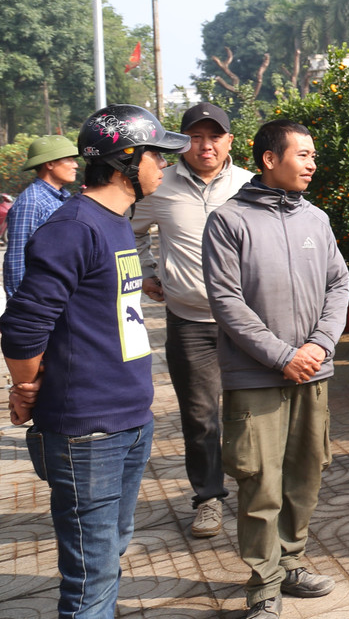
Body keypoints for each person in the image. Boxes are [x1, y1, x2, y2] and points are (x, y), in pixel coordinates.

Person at [3, 104, 190, 619]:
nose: (165, 167)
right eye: (158, 156)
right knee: (91, 580)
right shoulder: (74, 227)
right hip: (87, 432)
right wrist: (26, 388)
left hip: (128, 420)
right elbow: (21, 325)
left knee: (109, 551)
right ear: (124, 160)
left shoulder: (115, 223)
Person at [203, 119, 349, 619]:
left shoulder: (317, 219)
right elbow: (225, 300)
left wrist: (320, 345)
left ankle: (292, 561)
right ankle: (263, 584)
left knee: (305, 475)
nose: (312, 163)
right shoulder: (229, 220)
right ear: (270, 159)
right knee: (259, 482)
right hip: (257, 378)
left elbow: (339, 285)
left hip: (313, 372)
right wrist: (282, 355)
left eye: (313, 154)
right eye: (303, 154)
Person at [130, 102, 254, 539]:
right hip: (189, 322)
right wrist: (146, 272)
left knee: (251, 413)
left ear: (229, 142)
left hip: (248, 323)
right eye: (196, 137)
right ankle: (208, 498)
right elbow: (130, 229)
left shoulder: (250, 185)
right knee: (201, 416)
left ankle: (259, 495)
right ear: (182, 143)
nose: (206, 146)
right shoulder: (159, 188)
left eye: (214, 136)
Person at [3, 135, 80, 298]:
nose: (76, 165)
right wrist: (20, 309)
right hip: (39, 301)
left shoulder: (59, 197)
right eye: (69, 160)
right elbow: (17, 259)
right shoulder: (32, 202)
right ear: (50, 164)